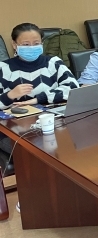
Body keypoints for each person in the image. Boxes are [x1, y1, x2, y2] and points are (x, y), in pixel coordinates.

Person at [0, 23, 79, 157]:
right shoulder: (3, 68)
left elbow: (72, 87)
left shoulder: (53, 62)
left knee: (70, 144)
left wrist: (38, 99)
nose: (31, 47)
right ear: (14, 44)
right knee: (33, 154)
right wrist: (10, 95)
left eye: (36, 43)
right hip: (16, 129)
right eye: (26, 44)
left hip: (53, 123)